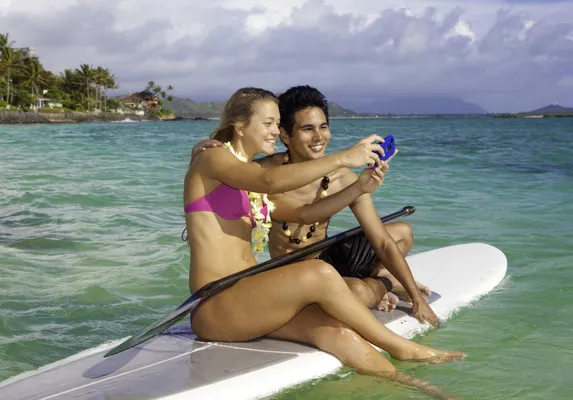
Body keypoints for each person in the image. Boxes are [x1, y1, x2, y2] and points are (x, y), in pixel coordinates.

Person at [185, 87, 465, 399]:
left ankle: (422, 388)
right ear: (240, 126)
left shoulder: (245, 174)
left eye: (277, 123)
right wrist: (345, 156)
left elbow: (304, 212)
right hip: (215, 304)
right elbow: (269, 181)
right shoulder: (213, 158)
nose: (276, 131)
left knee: (338, 333)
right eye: (268, 123)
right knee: (318, 272)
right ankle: (400, 347)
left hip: (248, 298)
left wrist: (358, 186)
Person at [195, 85, 440, 325]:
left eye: (323, 127)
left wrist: (418, 299)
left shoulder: (343, 177)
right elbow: (220, 171)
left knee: (402, 233)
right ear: (285, 135)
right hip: (297, 270)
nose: (318, 137)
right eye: (307, 129)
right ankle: (385, 283)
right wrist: (199, 150)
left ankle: (382, 280)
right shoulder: (263, 172)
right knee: (357, 293)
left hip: (329, 255)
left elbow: (382, 241)